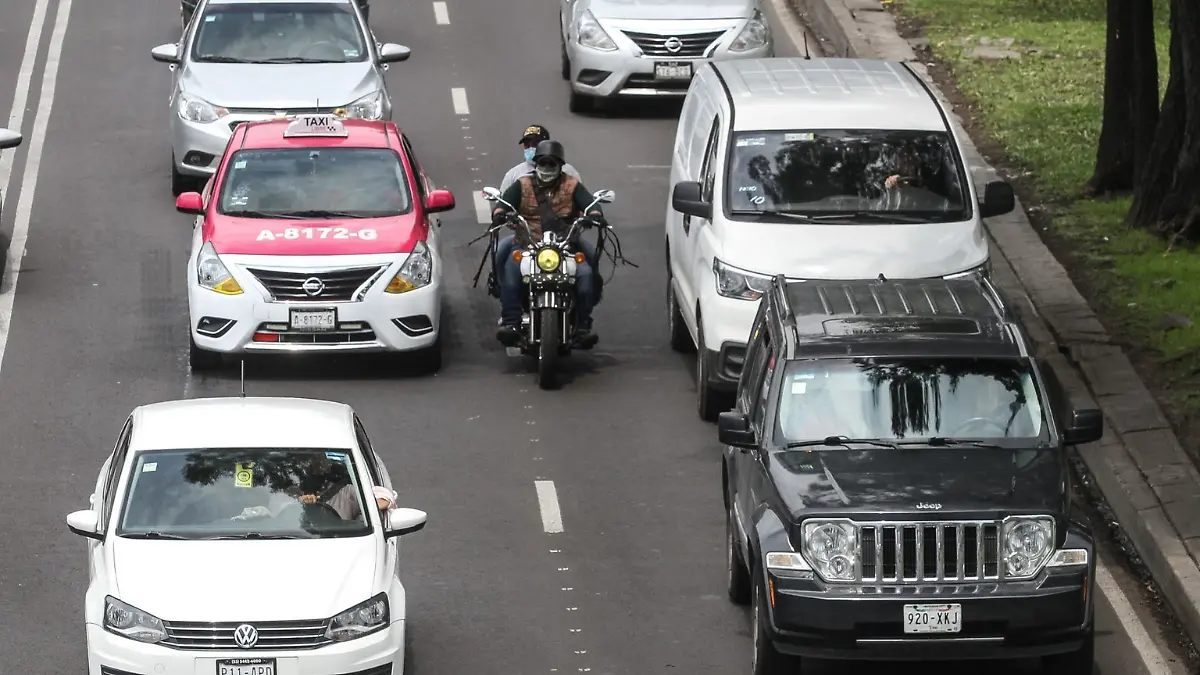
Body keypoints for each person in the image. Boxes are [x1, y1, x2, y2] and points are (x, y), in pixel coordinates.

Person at [491, 139, 604, 348]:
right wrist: (500, 214)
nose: (547, 168)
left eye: (552, 164)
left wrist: (595, 215)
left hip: (565, 246)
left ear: (560, 166)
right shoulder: (522, 184)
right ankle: (511, 323)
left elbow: (591, 205)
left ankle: (583, 326)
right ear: (536, 165)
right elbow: (502, 204)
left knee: (587, 275)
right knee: (510, 272)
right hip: (528, 244)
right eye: (543, 163)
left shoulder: (572, 185)